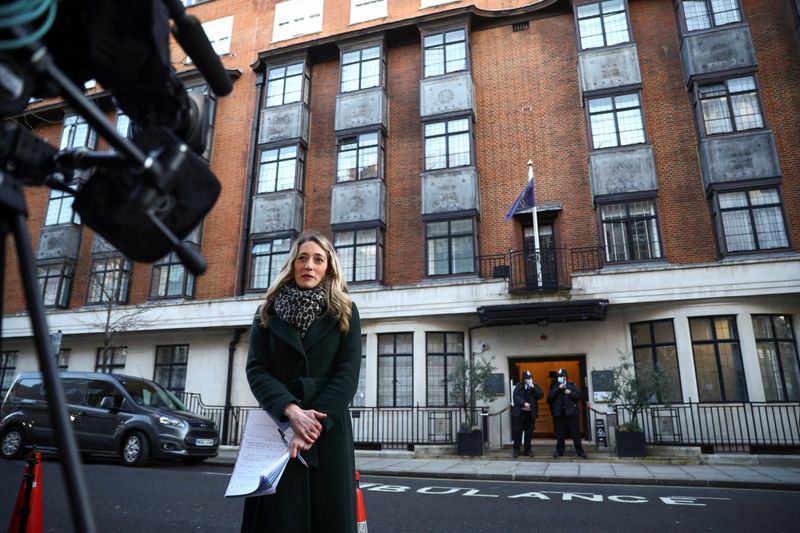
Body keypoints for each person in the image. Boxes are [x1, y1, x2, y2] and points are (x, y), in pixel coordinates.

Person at [241, 231, 362, 533]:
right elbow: (257, 369)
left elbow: (347, 373)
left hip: (327, 432)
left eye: (318, 259)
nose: (309, 265)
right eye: (303, 258)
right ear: (292, 264)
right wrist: (291, 411)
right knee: (278, 519)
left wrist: (311, 427)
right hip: (278, 429)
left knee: (328, 517)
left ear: (328, 268)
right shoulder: (265, 313)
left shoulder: (345, 310)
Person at [547, 368, 587, 458]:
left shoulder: (572, 385)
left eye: (563, 376)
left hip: (572, 413)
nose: (561, 377)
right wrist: (558, 388)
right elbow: (549, 398)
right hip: (559, 414)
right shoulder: (554, 386)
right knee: (560, 434)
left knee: (575, 433)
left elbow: (579, 397)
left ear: (566, 377)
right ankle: (559, 451)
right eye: (560, 376)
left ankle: (580, 451)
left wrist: (570, 393)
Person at [511, 370, 543, 457]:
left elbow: (540, 395)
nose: (529, 379)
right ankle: (516, 450)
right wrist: (524, 403)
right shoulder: (519, 387)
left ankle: (527, 450)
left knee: (529, 433)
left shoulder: (534, 387)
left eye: (530, 378)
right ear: (524, 379)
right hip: (520, 414)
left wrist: (533, 387)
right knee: (518, 432)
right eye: (527, 378)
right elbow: (515, 397)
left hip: (530, 414)